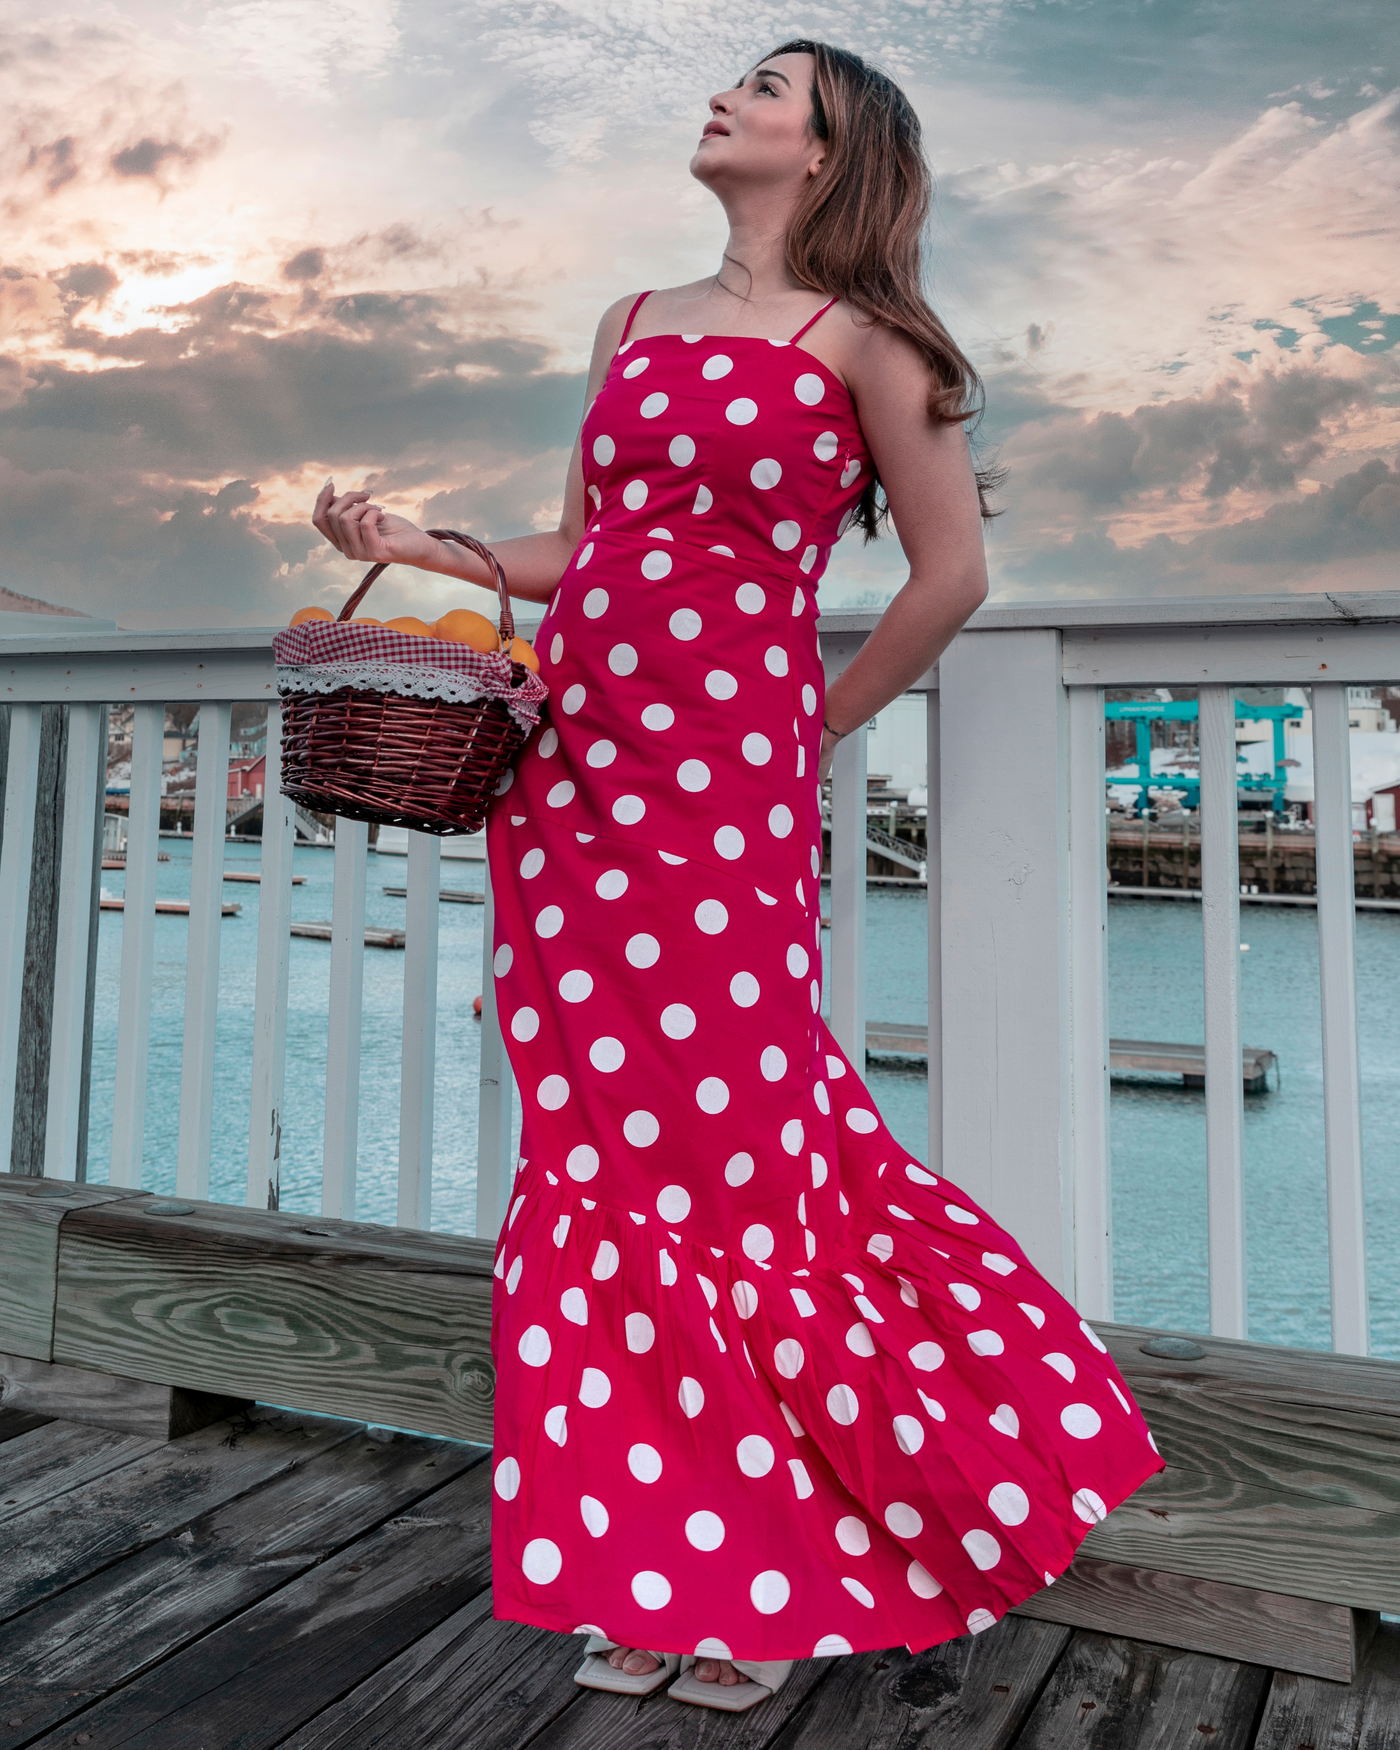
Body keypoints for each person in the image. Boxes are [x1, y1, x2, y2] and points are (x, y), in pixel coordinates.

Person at [312, 39, 1163, 1714]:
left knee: (734, 1154)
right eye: (729, 83)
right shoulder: (630, 321)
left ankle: (778, 1562)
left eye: (766, 88)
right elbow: (595, 551)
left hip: (727, 799)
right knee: (602, 1155)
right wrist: (426, 546)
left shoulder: (874, 343)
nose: (723, 99)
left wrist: (807, 726)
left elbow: (951, 572)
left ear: (835, 150)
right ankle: (655, 1566)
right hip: (571, 783)